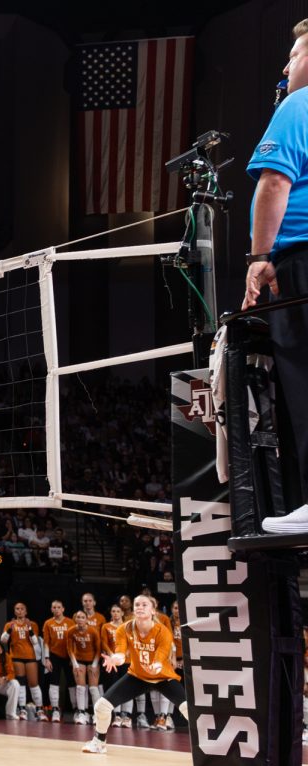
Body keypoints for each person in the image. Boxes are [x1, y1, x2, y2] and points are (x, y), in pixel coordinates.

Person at [242, 19, 308, 535]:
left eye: (295, 54)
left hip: (301, 264)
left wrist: (259, 258)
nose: (285, 67)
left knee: (303, 378)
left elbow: (273, 183)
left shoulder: (297, 106)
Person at [82, 595, 189, 754]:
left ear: (153, 610)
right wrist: (115, 659)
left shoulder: (163, 632)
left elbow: (161, 656)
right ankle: (99, 742)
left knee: (190, 710)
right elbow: (120, 653)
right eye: (137, 604)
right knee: (101, 707)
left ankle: (209, 747)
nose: (139, 607)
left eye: (144, 605)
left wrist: (157, 666)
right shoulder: (124, 628)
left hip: (162, 677)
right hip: (137, 676)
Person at [2, 601, 43, 720]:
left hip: (30, 656)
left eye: (22, 609)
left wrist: (29, 628)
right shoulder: (10, 624)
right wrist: (10, 629)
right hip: (16, 656)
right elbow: (3, 640)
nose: (19, 611)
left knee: (34, 683)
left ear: (26, 611)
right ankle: (22, 709)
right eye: (17, 609)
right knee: (21, 683)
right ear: (14, 611)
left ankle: (39, 709)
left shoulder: (32, 624)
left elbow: (35, 641)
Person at [42, 599, 76, 723]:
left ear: (63, 609)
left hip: (68, 655)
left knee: (72, 683)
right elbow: (46, 642)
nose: (56, 609)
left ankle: (76, 710)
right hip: (54, 656)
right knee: (54, 682)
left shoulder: (70, 622)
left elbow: (74, 640)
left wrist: (74, 658)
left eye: (58, 607)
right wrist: (47, 659)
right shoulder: (48, 623)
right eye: (54, 607)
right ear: (51, 609)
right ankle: (55, 709)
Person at [68, 610, 102, 725]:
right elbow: (70, 649)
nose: (80, 619)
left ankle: (97, 715)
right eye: (78, 617)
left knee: (93, 688)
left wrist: (94, 664)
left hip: (93, 660)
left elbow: (98, 649)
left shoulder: (93, 631)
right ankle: (82, 713)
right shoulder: (71, 631)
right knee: (80, 687)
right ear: (75, 619)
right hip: (79, 660)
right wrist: (75, 665)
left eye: (83, 617)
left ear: (86, 619)